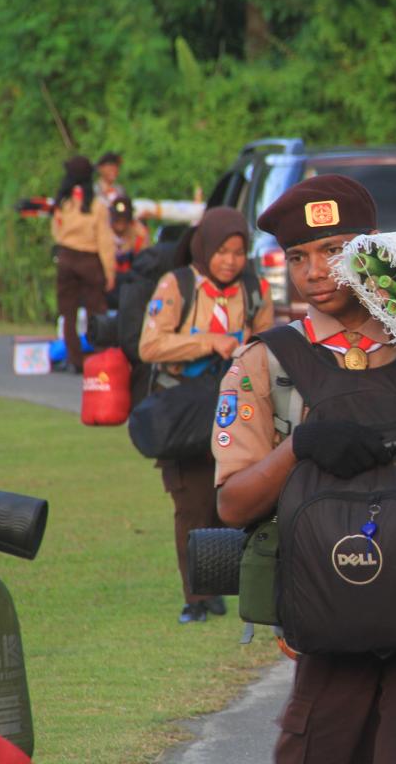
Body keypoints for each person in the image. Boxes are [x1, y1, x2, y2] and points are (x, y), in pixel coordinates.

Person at [213, 174, 396, 762]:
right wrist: (300, 448)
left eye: (333, 251)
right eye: (297, 257)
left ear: (371, 251)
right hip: (325, 613)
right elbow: (232, 504)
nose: (314, 272)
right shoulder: (264, 364)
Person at [138, 207, 273, 623]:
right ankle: (194, 599)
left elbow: (266, 343)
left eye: (238, 252)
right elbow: (150, 346)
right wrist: (207, 342)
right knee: (192, 504)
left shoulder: (255, 288)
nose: (230, 261)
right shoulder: (176, 284)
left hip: (234, 411)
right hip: (185, 411)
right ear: (204, 247)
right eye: (222, 251)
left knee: (228, 503)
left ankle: (218, 588)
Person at [52, 155, 117, 373]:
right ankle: (98, 357)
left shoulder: (63, 203)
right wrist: (110, 271)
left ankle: (74, 359)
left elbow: (56, 232)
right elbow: (105, 241)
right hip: (90, 260)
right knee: (95, 311)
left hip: (67, 258)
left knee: (68, 313)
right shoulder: (97, 206)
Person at [110, 195, 151, 278]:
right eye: (117, 218)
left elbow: (145, 262)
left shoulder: (139, 233)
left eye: (124, 218)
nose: (120, 222)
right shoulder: (104, 231)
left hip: (131, 278)